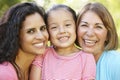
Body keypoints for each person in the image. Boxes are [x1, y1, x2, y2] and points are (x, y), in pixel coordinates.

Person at [30, 4, 96, 80]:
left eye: (67, 25)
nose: (62, 31)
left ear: (76, 27)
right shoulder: (43, 54)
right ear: (47, 32)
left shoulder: (86, 57)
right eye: (54, 27)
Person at [0, 2, 49, 80]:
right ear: (15, 35)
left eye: (42, 28)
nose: (41, 36)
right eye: (31, 31)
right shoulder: (4, 74)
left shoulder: (40, 65)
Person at [76, 2, 120, 80]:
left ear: (108, 35)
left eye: (98, 27)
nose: (90, 33)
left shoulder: (116, 62)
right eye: (84, 25)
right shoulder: (69, 61)